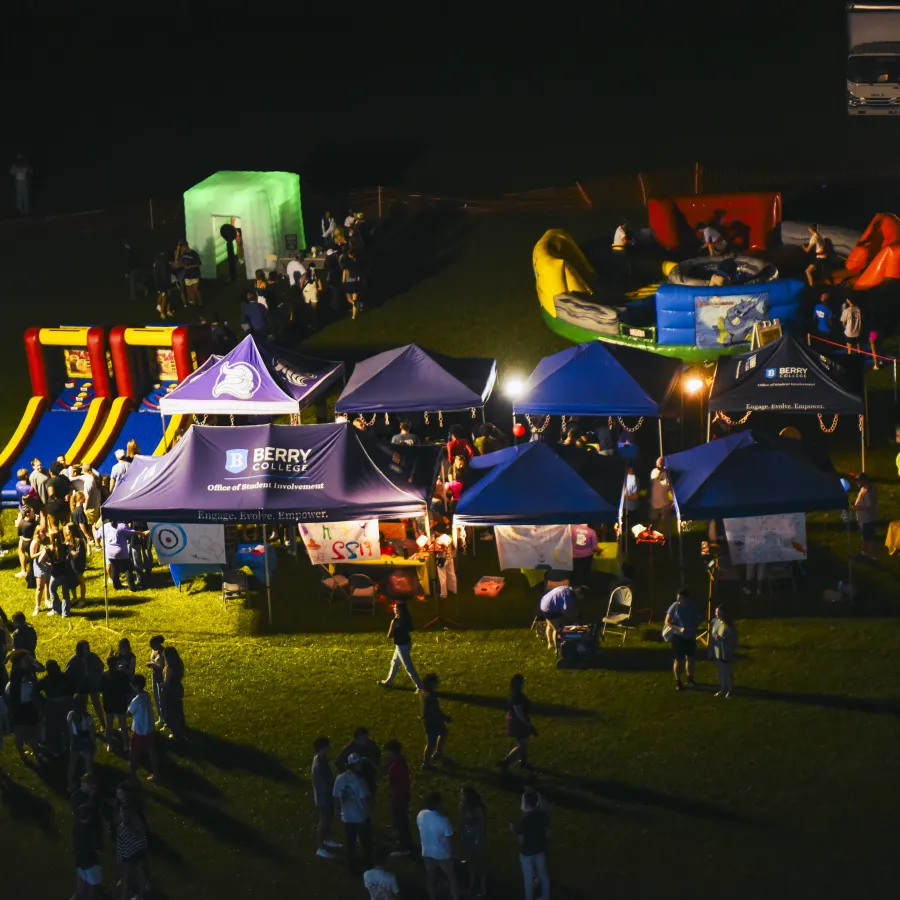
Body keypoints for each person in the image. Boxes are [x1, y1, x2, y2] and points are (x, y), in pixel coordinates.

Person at [333, 753, 374, 872]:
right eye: (359, 764)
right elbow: (365, 799)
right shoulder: (360, 781)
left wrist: (337, 810)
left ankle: (351, 865)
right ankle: (369, 865)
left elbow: (335, 796)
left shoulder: (339, 778)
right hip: (360, 816)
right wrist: (371, 813)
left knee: (350, 842)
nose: (361, 766)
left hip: (346, 817)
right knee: (366, 842)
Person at [417, 791, 459, 900]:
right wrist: (452, 853)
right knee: (451, 878)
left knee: (431, 878)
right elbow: (449, 839)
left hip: (427, 852)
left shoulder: (421, 814)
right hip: (442, 854)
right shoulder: (443, 820)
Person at [114, 782, 151, 899]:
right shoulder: (121, 806)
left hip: (132, 847)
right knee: (138, 869)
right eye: (117, 793)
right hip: (135, 845)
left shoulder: (131, 810)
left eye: (120, 793)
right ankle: (141, 892)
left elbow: (140, 827)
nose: (119, 795)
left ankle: (137, 891)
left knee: (129, 872)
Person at [514, 787, 551, 900]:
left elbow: (521, 840)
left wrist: (514, 831)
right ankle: (545, 897)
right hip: (539, 850)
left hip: (527, 854)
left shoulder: (524, 821)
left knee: (528, 881)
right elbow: (547, 834)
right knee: (543, 875)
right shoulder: (542, 816)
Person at [379, 599, 423, 691]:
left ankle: (420, 687)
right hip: (407, 643)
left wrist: (392, 624)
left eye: (395, 607)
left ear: (398, 610)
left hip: (400, 645)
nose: (393, 608)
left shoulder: (395, 621)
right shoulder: (406, 619)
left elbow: (389, 636)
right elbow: (411, 629)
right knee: (395, 662)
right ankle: (388, 682)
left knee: (408, 667)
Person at [8, 650, 43, 763]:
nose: (28, 660)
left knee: (32, 731)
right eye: (26, 659)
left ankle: (36, 753)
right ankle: (23, 755)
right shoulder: (16, 673)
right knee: (20, 733)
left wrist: (34, 661)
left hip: (29, 706)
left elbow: (42, 668)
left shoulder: (26, 669)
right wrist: (31, 663)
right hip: (19, 708)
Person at [66, 641, 107, 731]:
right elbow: (68, 673)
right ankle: (84, 724)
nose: (88, 650)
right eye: (86, 648)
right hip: (81, 685)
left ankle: (103, 724)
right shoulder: (74, 660)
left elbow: (101, 666)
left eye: (88, 648)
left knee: (97, 703)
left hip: (92, 683)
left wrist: (97, 675)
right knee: (82, 705)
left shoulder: (93, 657)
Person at [312, 736, 342, 858]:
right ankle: (320, 847)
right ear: (323, 747)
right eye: (328, 746)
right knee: (324, 821)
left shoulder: (322, 759)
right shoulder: (319, 762)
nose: (330, 748)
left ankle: (327, 839)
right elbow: (322, 782)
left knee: (329, 818)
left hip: (327, 795)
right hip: (323, 797)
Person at [500, 673, 537, 772]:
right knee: (522, 744)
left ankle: (523, 762)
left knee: (523, 742)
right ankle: (507, 761)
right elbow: (519, 712)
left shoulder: (513, 693)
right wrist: (528, 724)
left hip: (515, 720)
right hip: (518, 722)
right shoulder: (517, 696)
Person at [127, 674, 160, 781]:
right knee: (152, 752)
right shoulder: (146, 695)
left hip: (139, 731)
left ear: (135, 686)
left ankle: (133, 776)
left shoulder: (136, 700)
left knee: (133, 754)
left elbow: (129, 713)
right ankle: (156, 773)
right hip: (149, 729)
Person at [336, 726, 382, 803]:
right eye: (363, 737)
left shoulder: (372, 746)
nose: (365, 739)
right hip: (354, 782)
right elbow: (339, 762)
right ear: (356, 738)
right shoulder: (349, 748)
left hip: (369, 780)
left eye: (366, 737)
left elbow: (377, 761)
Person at [383, 739, 412, 856]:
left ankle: (403, 846)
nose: (386, 754)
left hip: (398, 797)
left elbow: (395, 784)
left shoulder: (395, 766)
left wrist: (392, 800)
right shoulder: (400, 760)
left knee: (399, 821)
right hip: (404, 795)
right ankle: (406, 842)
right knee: (403, 820)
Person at [665, 589, 699, 690]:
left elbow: (697, 618)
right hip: (678, 637)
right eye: (678, 598)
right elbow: (667, 622)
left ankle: (690, 678)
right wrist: (679, 628)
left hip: (690, 636)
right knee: (678, 660)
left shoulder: (692, 606)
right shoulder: (674, 606)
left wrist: (695, 625)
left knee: (690, 659)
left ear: (687, 598)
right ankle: (678, 681)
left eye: (681, 598)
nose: (679, 600)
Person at [38, 658, 73, 755]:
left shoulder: (47, 680)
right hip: (56, 705)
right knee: (58, 727)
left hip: (58, 705)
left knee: (62, 727)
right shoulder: (65, 677)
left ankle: (63, 746)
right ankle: (61, 747)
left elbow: (34, 692)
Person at [459, 787, 488, 898]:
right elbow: (461, 822)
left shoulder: (477, 808)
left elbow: (482, 823)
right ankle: (472, 885)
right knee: (471, 861)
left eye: (462, 794)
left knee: (480, 862)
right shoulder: (463, 807)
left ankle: (483, 888)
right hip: (468, 836)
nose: (461, 797)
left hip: (477, 837)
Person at [72, 799, 104, 899]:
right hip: (91, 863)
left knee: (81, 886)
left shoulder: (76, 828)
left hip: (80, 861)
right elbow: (98, 849)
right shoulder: (91, 831)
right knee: (91, 887)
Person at [420, 673, 451, 770]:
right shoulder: (431, 696)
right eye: (435, 683)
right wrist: (445, 718)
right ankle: (426, 764)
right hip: (432, 721)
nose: (437, 685)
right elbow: (435, 710)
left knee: (443, 733)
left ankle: (438, 752)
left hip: (430, 720)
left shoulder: (422, 692)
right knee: (431, 743)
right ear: (430, 683)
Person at [539, 584, 583, 651]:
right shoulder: (569, 596)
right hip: (551, 608)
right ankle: (558, 649)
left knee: (550, 625)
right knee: (558, 630)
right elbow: (566, 611)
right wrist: (576, 619)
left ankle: (550, 643)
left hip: (544, 603)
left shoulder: (568, 588)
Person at [103, 520, 145, 591]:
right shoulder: (122, 526)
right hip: (121, 552)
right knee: (128, 569)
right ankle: (132, 587)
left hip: (110, 552)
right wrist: (142, 533)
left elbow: (98, 535)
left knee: (114, 569)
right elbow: (132, 532)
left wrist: (94, 529)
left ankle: (117, 586)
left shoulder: (105, 526)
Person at [101, 654, 130, 752]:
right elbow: (127, 689)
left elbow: (101, 689)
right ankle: (126, 744)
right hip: (120, 702)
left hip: (109, 703)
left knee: (109, 725)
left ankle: (110, 743)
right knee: (122, 724)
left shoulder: (104, 676)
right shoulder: (122, 676)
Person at [66, 695, 96, 790]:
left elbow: (70, 730)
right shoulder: (87, 717)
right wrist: (93, 743)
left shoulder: (70, 715)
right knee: (88, 765)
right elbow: (91, 732)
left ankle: (70, 785)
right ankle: (91, 786)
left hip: (76, 740)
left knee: (72, 764)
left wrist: (73, 739)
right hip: (86, 741)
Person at [709, 604, 738, 697]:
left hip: (726, 651)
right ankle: (722, 688)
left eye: (719, 612)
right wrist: (711, 650)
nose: (716, 614)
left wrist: (721, 639)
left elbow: (732, 639)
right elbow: (711, 636)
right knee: (721, 671)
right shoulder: (714, 622)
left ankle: (729, 689)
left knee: (727, 670)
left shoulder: (729, 625)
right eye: (716, 612)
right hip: (718, 651)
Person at [162, 646, 186, 740]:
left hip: (170, 691)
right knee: (178, 709)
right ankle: (181, 727)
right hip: (178, 688)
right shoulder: (179, 664)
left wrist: (161, 686)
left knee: (171, 711)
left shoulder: (169, 668)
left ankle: (175, 732)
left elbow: (166, 683)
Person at [854, 472, 878, 560]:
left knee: (869, 538)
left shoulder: (868, 491)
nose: (857, 482)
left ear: (863, 480)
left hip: (867, 519)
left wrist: (857, 507)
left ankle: (872, 556)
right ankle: (864, 553)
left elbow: (869, 506)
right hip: (863, 519)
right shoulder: (863, 489)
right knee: (865, 537)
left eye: (858, 480)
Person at [48, 530, 72, 617]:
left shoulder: (48, 549)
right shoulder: (64, 547)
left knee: (52, 590)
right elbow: (74, 554)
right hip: (65, 573)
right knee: (65, 593)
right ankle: (65, 613)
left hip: (55, 574)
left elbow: (40, 560)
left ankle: (56, 609)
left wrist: (48, 564)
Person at [649, 460, 673, 539]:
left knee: (667, 524)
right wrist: (661, 470)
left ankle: (667, 540)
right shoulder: (654, 472)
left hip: (665, 503)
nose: (660, 465)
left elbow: (670, 489)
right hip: (654, 503)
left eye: (662, 463)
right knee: (654, 522)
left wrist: (672, 501)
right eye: (659, 464)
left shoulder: (668, 475)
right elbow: (654, 478)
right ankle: (655, 539)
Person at [30, 527, 52, 616]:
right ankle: (37, 606)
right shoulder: (35, 542)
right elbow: (32, 556)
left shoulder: (47, 539)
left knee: (48, 583)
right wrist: (42, 552)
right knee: (39, 587)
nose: (43, 533)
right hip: (39, 566)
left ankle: (47, 600)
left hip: (48, 563)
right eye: (41, 532)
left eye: (44, 531)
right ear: (37, 533)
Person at [147, 635, 167, 728]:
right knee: (156, 697)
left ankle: (166, 719)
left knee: (162, 698)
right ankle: (160, 717)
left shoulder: (163, 652)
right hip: (154, 675)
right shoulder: (154, 651)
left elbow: (164, 666)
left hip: (161, 676)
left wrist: (154, 665)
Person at [570, 523, 597, 588]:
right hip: (587, 555)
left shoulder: (571, 529)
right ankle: (585, 587)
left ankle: (574, 587)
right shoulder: (591, 531)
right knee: (586, 571)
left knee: (575, 571)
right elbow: (595, 547)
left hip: (574, 554)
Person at [15, 503, 37, 578]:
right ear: (29, 513)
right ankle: (32, 575)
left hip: (24, 541)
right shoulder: (32, 524)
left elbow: (20, 534)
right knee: (32, 559)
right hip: (30, 542)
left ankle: (24, 571)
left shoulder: (21, 523)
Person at [342, 247, 362, 319]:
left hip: (348, 285)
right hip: (355, 284)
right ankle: (353, 316)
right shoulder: (357, 265)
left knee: (349, 299)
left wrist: (343, 285)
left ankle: (354, 304)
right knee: (355, 299)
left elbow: (343, 279)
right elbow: (359, 278)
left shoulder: (346, 267)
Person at [152, 251, 172, 319]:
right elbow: (163, 274)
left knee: (166, 295)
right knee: (165, 297)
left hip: (161, 283)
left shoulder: (157, 262)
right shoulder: (161, 263)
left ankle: (167, 310)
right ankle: (162, 313)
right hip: (163, 283)